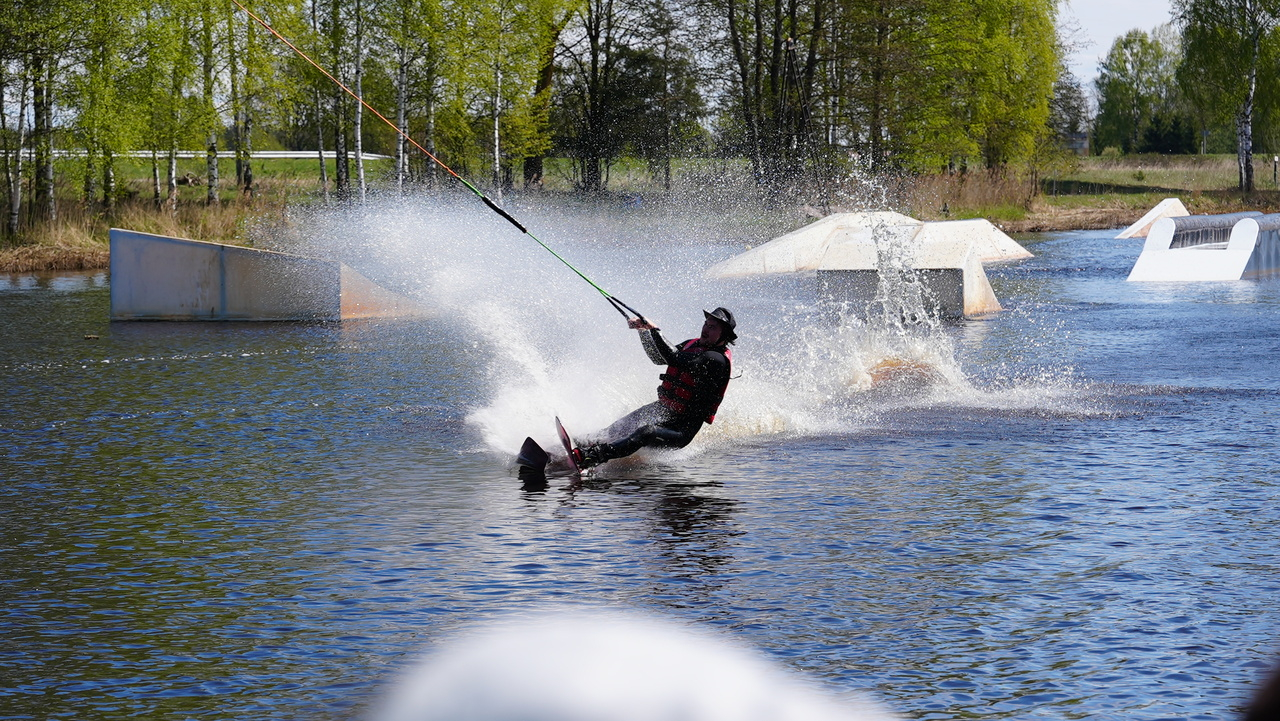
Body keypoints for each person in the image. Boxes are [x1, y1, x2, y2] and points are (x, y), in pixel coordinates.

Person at [573, 307, 737, 468]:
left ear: (724, 335)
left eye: (713, 327)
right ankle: (581, 445)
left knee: (646, 433)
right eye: (706, 324)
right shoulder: (691, 344)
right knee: (621, 427)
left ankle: (590, 458)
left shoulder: (716, 359)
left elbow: (672, 357)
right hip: (664, 410)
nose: (706, 329)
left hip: (681, 430)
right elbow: (658, 358)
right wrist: (643, 332)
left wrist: (654, 329)